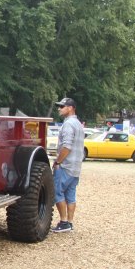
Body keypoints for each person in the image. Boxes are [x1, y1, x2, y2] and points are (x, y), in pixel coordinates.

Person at [51, 97, 85, 233]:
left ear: (70, 108)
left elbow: (67, 146)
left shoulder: (69, 124)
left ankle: (63, 222)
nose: (59, 109)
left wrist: (58, 161)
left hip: (66, 166)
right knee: (71, 195)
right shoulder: (78, 124)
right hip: (76, 167)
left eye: (62, 106)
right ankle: (70, 222)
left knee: (57, 192)